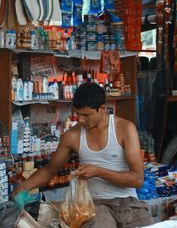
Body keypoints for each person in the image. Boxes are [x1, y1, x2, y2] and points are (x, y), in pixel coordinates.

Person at [13, 83, 154, 227]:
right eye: (77, 113)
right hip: (94, 206)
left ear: (103, 109)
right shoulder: (72, 135)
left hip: (129, 202)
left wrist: (98, 171)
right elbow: (51, 169)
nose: (80, 119)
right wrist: (23, 187)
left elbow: (137, 179)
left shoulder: (125, 129)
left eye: (86, 115)